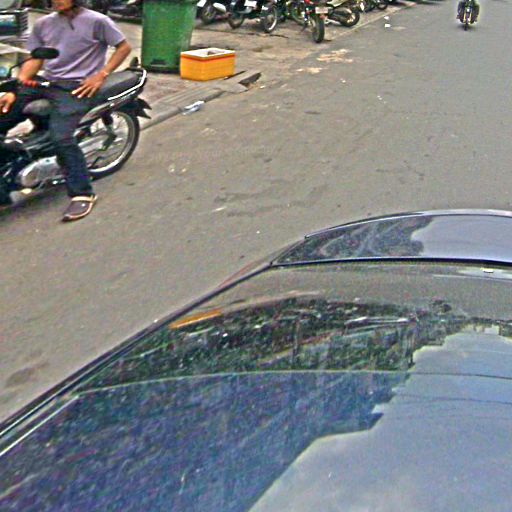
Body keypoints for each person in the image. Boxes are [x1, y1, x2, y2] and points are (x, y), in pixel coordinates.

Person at [0, 0, 131, 221]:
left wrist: (101, 75)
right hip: (46, 82)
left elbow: (124, 47)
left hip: (78, 87)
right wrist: (16, 87)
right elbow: (36, 58)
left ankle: (83, 192)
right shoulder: (43, 23)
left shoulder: (97, 21)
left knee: (61, 137)